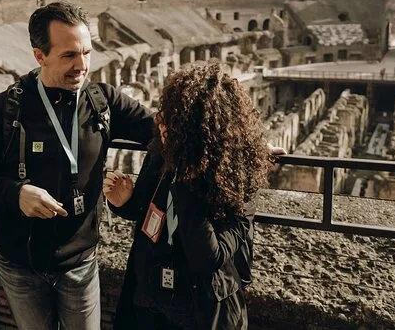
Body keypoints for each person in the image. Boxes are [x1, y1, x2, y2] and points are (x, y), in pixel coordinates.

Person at [0, 2, 155, 330]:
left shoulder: (102, 100)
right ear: (40, 56)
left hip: (80, 262)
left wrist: (235, 139)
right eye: (69, 56)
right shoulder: (6, 107)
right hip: (20, 263)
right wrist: (16, 194)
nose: (82, 65)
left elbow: (162, 130)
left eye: (87, 52)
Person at [104, 61, 271, 330]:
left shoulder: (238, 182)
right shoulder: (161, 154)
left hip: (201, 308)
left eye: (173, 118)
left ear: (201, 130)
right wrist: (124, 203)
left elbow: (207, 257)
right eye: (165, 112)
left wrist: (186, 172)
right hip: (150, 297)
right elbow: (145, 210)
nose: (160, 121)